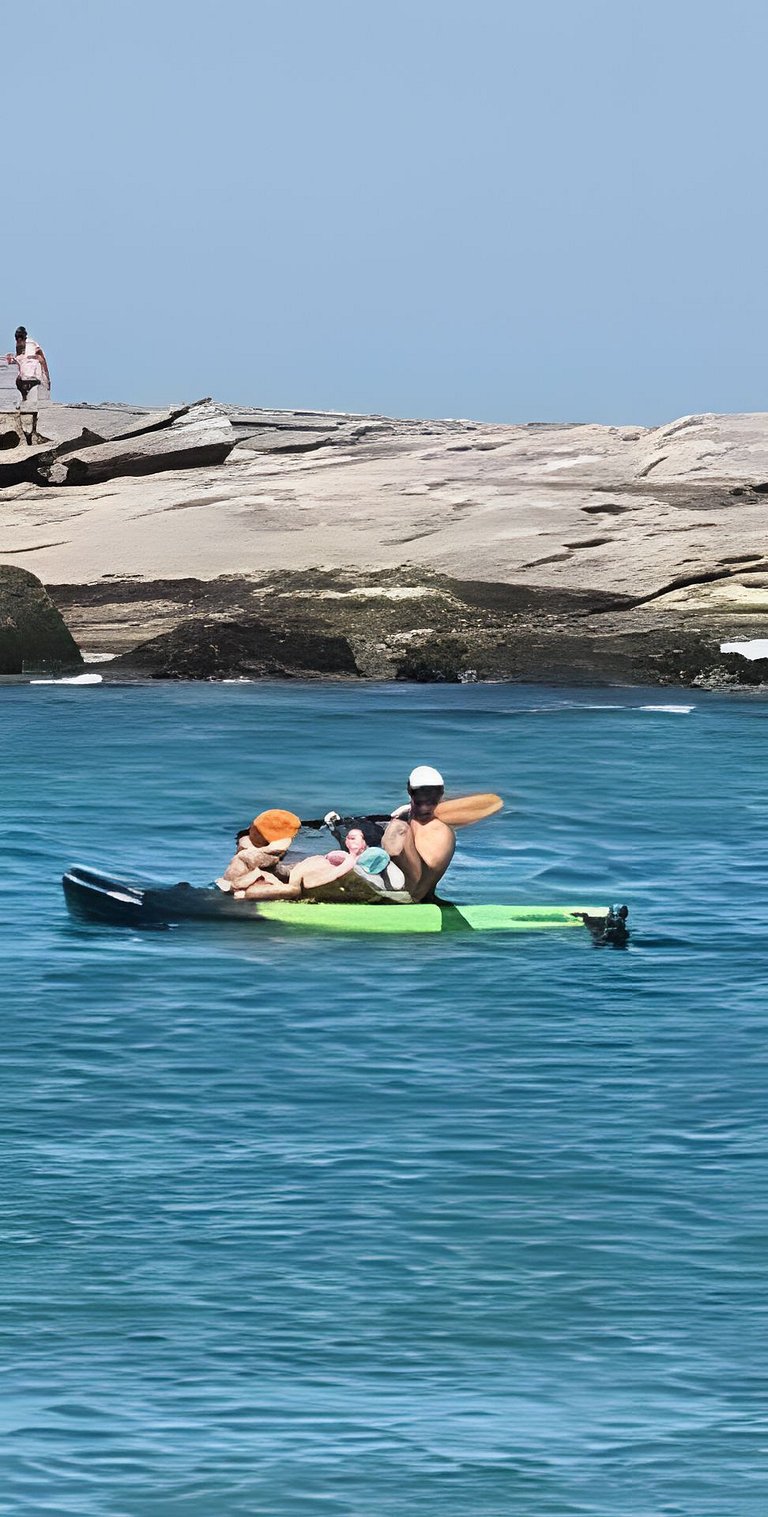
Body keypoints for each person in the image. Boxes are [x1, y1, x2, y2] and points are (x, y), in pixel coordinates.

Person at [380, 766, 455, 902]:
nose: (425, 808)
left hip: (413, 890)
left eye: (431, 802)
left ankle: (419, 896)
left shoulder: (438, 828)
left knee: (398, 830)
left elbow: (428, 869)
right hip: (412, 886)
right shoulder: (407, 817)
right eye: (420, 803)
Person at [5, 326, 50, 404]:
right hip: (24, 380)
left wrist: (46, 380)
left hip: (35, 379)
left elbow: (39, 361)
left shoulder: (31, 345)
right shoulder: (20, 348)